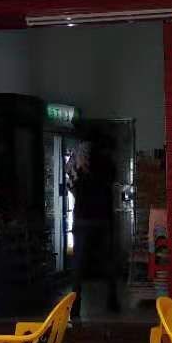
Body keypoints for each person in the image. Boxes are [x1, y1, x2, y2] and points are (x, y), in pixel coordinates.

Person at [68, 133, 119, 318]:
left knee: (78, 263)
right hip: (103, 217)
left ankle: (75, 306)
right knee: (108, 260)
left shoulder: (77, 157)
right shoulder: (106, 161)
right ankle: (112, 301)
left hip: (83, 216)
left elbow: (71, 184)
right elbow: (112, 181)